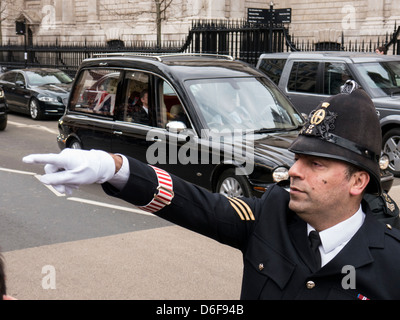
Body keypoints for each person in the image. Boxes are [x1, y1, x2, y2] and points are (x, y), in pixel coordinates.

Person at [23, 88, 400, 300]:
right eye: (298, 157)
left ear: (357, 183)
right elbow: (198, 205)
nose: (295, 171)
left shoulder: (392, 260)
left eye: (316, 164)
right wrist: (116, 168)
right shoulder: (272, 214)